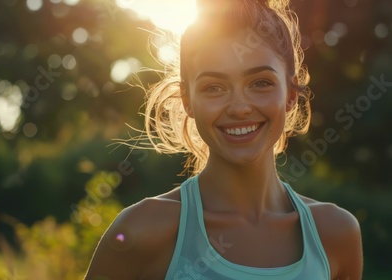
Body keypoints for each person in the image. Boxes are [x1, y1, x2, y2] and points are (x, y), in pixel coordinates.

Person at [85, 0, 363, 279]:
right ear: (188, 101)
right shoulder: (141, 231)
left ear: (291, 94)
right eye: (214, 87)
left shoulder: (336, 233)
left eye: (260, 83)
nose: (239, 107)